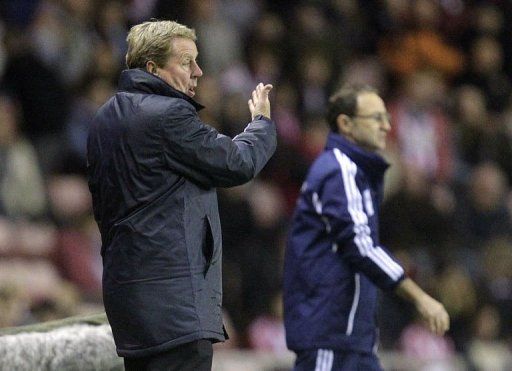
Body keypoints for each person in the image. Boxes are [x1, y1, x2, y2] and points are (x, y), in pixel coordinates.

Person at [87, 20, 276, 371]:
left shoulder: (103, 119)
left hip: (129, 300)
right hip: (173, 306)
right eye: (186, 62)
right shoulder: (168, 117)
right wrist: (261, 124)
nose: (199, 72)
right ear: (152, 68)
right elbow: (237, 163)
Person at [283, 84, 449, 371]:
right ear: (345, 124)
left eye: (387, 118)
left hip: (354, 340)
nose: (386, 127)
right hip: (329, 335)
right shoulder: (338, 171)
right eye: (376, 118)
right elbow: (360, 246)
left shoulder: (355, 173)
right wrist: (419, 297)